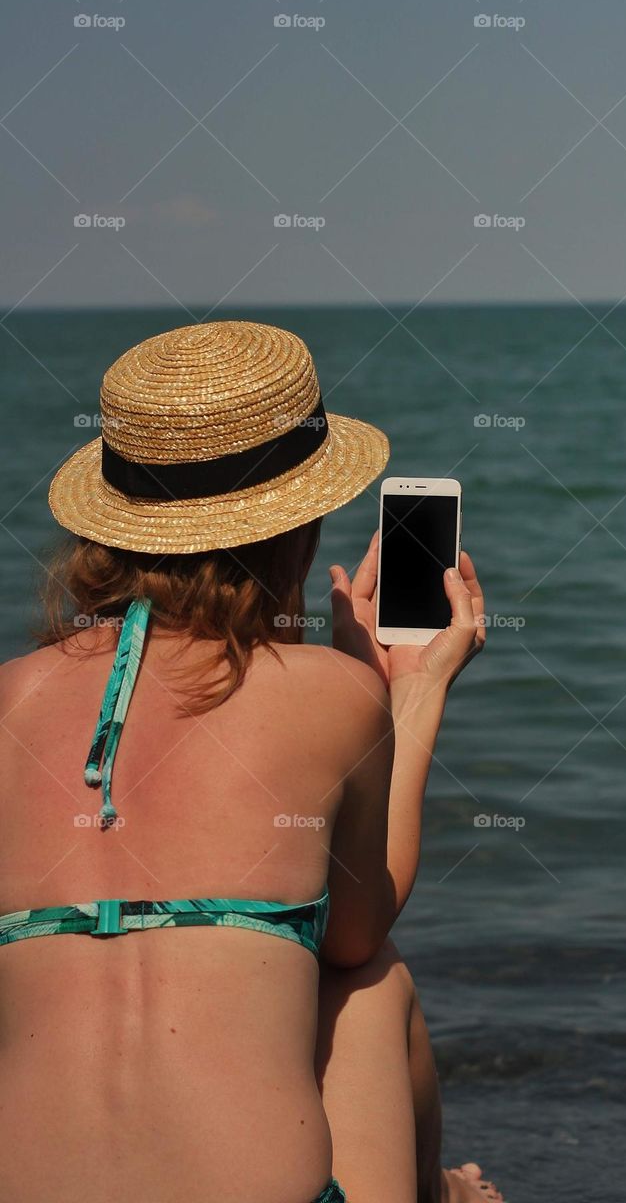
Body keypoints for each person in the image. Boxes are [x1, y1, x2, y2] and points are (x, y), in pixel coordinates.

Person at [0, 320, 505, 1203]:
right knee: (372, 984)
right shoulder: (328, 690)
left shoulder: (11, 697)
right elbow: (354, 930)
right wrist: (406, 693)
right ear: (297, 527)